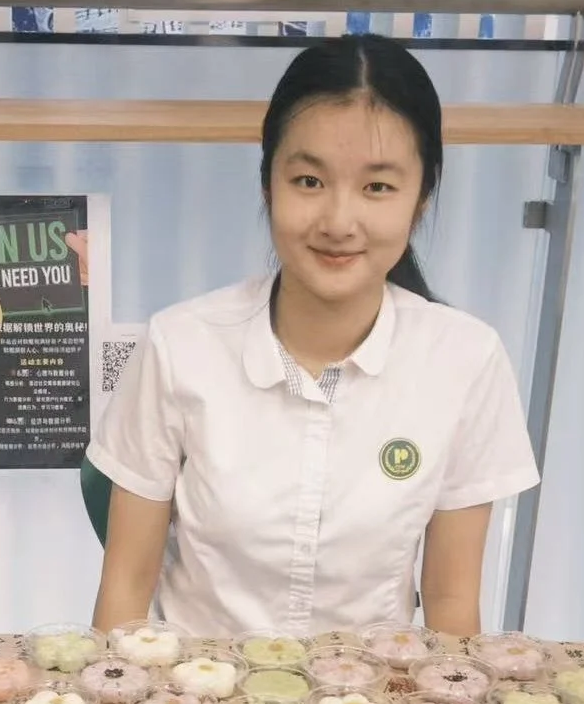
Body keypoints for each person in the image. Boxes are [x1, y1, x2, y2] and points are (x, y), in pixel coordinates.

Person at [87, 34, 539, 639]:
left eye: (377, 187)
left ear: (420, 199)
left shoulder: (465, 360)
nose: (338, 222)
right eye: (308, 181)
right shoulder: (179, 346)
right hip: (201, 699)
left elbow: (453, 607)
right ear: (267, 183)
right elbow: (124, 589)